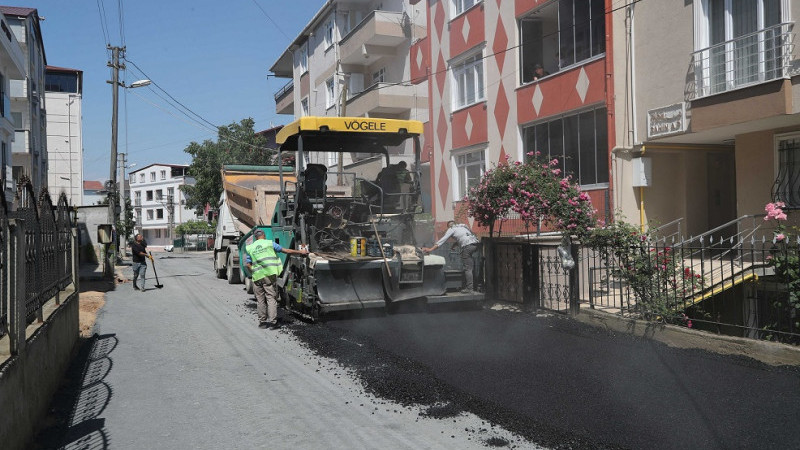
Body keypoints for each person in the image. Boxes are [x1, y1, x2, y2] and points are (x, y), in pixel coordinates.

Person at [245, 229, 309, 330]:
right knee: (271, 298)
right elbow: (286, 251)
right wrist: (301, 252)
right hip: (269, 275)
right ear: (264, 235)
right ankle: (273, 323)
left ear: (255, 237)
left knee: (260, 300)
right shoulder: (269, 243)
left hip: (257, 277)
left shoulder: (250, 248)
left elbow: (248, 264)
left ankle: (262, 323)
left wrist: (255, 271)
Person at [421, 220, 480, 293]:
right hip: (476, 244)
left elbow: (442, 241)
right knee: (470, 267)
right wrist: (455, 244)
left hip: (467, 246)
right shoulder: (463, 226)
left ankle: (470, 289)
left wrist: (430, 249)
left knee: (468, 269)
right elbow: (464, 236)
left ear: (449, 226)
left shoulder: (451, 229)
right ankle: (474, 285)